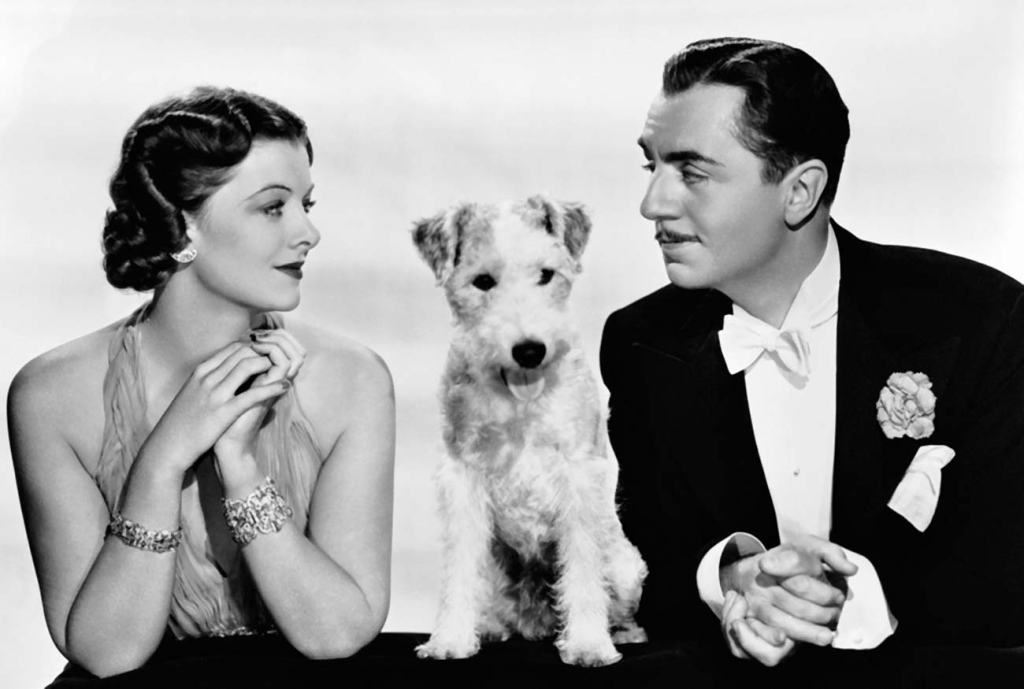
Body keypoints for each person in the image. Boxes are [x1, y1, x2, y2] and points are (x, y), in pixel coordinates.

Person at [600, 37, 1024, 672]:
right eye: (651, 166)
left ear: (800, 192)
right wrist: (732, 579)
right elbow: (646, 560)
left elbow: (1004, 582)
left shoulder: (983, 320)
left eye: (692, 172)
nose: (652, 204)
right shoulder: (640, 344)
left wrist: (832, 604)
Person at [7, 87, 395, 679]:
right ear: (184, 225)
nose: (308, 233)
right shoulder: (52, 397)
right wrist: (162, 460)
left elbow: (336, 635)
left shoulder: (352, 380)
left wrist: (240, 467)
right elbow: (106, 654)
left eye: (306, 204)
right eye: (273, 207)